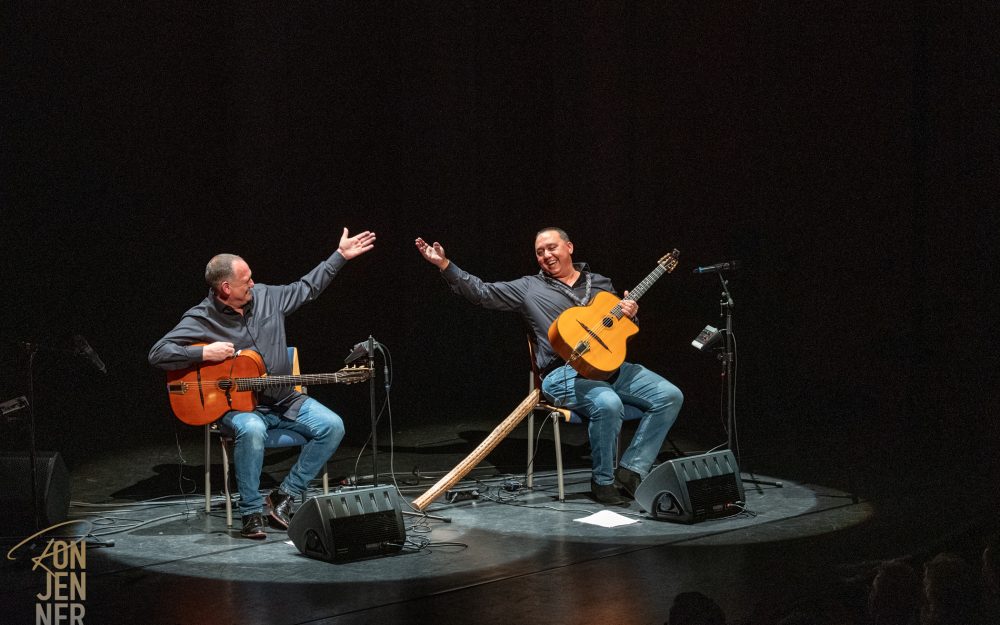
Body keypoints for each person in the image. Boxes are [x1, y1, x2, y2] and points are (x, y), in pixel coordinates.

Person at [415, 227, 682, 505]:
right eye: (540, 252)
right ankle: (603, 482)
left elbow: (619, 328)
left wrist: (631, 316)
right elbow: (482, 292)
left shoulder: (601, 282)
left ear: (569, 248)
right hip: (562, 373)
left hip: (609, 366)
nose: (546, 255)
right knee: (608, 402)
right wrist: (444, 265)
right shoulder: (529, 288)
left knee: (670, 396)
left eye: (552, 248)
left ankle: (632, 470)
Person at [149, 228, 376, 538]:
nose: (253, 283)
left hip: (284, 399)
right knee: (252, 428)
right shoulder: (201, 318)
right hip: (238, 408)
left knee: (333, 425)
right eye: (247, 281)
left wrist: (340, 257)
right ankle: (251, 511)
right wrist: (203, 352)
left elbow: (308, 287)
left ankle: (283, 496)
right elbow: (158, 353)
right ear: (225, 288)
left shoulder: (268, 297)